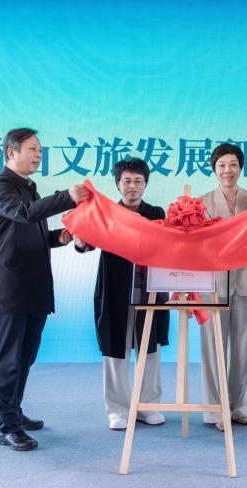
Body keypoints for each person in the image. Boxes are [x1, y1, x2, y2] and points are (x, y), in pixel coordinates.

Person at [0, 127, 87, 451]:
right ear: (11, 152)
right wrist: (67, 197)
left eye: (40, 150)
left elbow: (33, 233)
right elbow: (24, 215)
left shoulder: (30, 188)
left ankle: (13, 413)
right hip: (8, 288)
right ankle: (7, 426)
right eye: (32, 148)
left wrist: (60, 237)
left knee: (24, 357)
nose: (38, 154)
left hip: (33, 287)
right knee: (7, 361)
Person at [74, 158, 170, 430]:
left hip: (149, 288)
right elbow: (87, 241)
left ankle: (148, 405)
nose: (132, 186)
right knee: (115, 347)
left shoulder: (156, 212)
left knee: (149, 348)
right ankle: (117, 409)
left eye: (138, 181)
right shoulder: (107, 212)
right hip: (115, 286)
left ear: (145, 184)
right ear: (118, 184)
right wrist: (80, 242)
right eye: (127, 181)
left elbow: (166, 245)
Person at [199, 143, 247, 431]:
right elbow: (196, 248)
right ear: (214, 169)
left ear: (240, 167)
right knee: (212, 347)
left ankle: (239, 407)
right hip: (212, 285)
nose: (227, 170)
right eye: (222, 165)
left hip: (246, 282)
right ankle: (216, 410)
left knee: (242, 347)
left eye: (233, 165)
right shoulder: (201, 203)